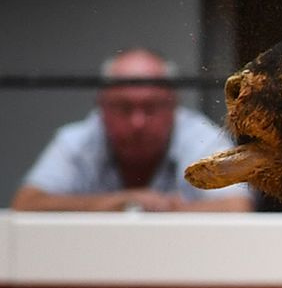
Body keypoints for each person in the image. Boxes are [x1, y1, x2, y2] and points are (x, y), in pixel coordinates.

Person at [11, 49, 254, 212]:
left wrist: (162, 211)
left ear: (173, 106)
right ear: (102, 106)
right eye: (124, 108)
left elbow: (236, 206)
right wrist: (118, 203)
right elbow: (26, 203)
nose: (138, 122)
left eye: (150, 107)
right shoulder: (76, 140)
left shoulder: (201, 138)